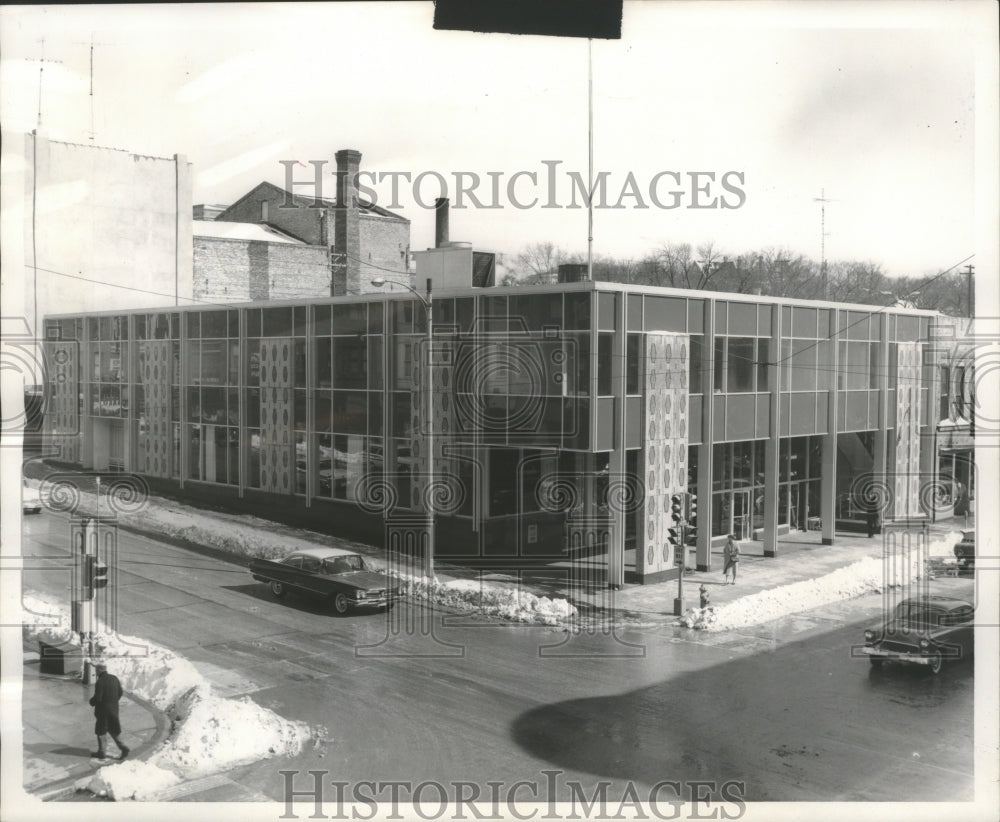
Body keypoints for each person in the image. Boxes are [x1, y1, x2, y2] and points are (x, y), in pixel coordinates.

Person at [89, 661, 129, 761]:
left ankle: (101, 752)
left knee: (100, 731)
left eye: (96, 670)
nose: (96, 672)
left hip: (103, 712)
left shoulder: (100, 681)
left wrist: (91, 702)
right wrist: (113, 702)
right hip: (114, 709)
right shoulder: (114, 678)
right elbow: (120, 692)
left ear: (99, 670)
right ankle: (123, 747)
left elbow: (98, 698)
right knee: (113, 729)